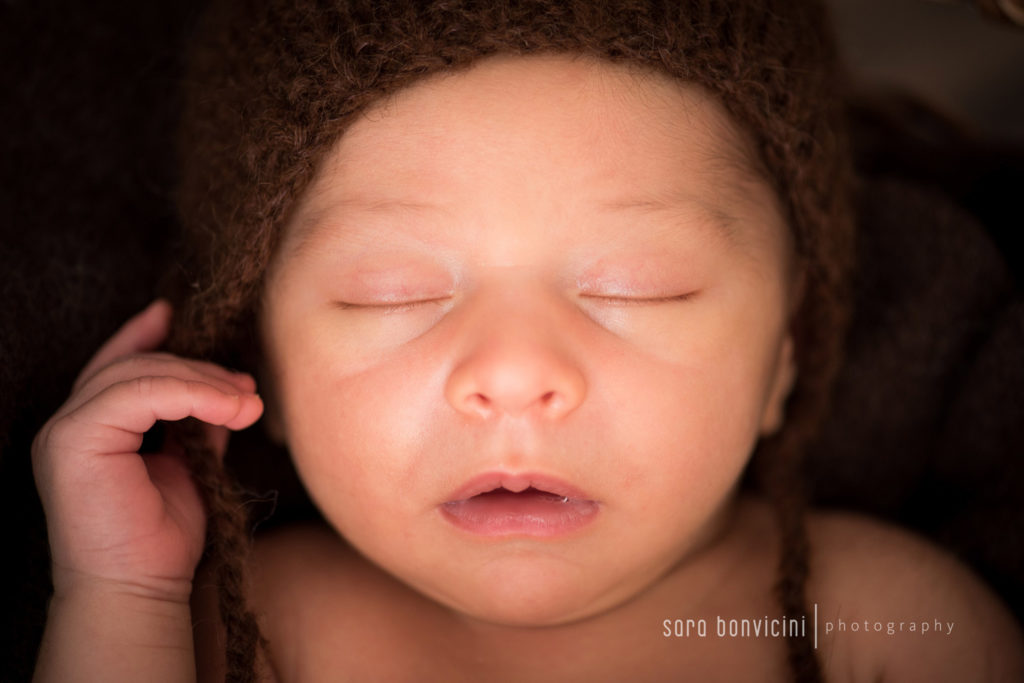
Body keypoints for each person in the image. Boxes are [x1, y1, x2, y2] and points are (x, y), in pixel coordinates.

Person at [28, 1, 1024, 681]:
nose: (512, 374)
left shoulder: (873, 617)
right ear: (261, 363)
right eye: (391, 293)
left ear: (790, 349)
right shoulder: (253, 626)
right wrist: (120, 591)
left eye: (637, 284)